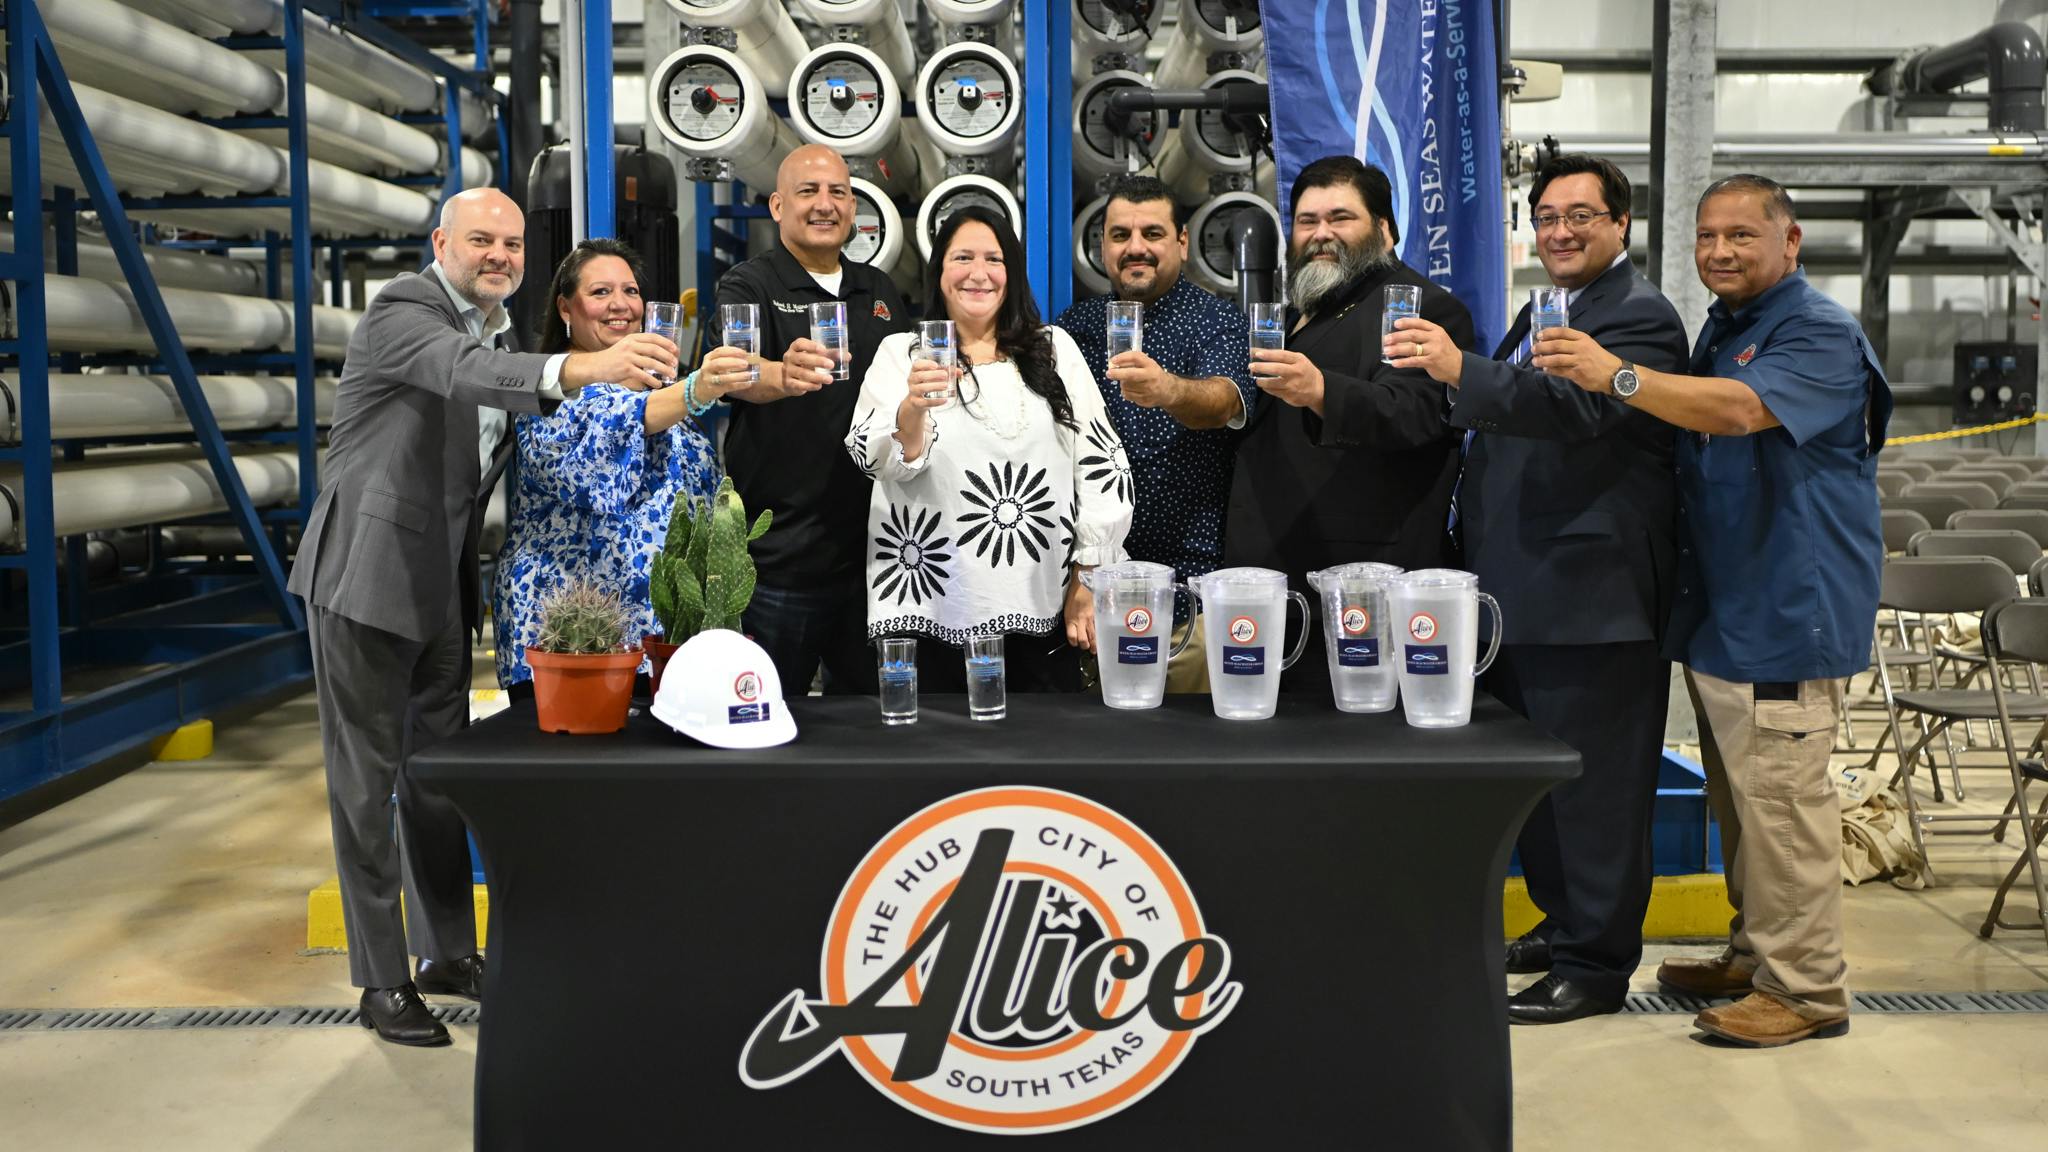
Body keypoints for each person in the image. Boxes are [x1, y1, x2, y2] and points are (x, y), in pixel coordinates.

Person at [287, 188, 674, 1047]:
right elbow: (463, 377)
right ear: (442, 242)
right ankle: (381, 978)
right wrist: (580, 367)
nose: (497, 254)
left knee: (434, 782)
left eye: (510, 243)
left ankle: (446, 953)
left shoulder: (494, 333)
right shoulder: (406, 310)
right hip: (366, 579)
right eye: (480, 240)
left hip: (441, 591)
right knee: (366, 786)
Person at [1535, 173, 1890, 1048]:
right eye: (1707, 237)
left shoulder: (1816, 330)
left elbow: (1740, 411)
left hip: (1785, 613)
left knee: (1785, 807)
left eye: (1742, 236)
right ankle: (1753, 950)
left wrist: (1614, 374)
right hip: (1728, 613)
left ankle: (1805, 989)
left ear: (1790, 241)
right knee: (1746, 803)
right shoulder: (1730, 327)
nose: (1721, 252)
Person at [1386, 155, 1689, 1024]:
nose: (1560, 231)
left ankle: (1595, 968)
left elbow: (1579, 410)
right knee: (1548, 788)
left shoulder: (1640, 318)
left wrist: (1457, 370)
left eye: (1581, 216)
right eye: (1548, 215)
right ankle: (1564, 929)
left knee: (1597, 794)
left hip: (1593, 599)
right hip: (1524, 590)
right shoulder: (1548, 307)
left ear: (1621, 224)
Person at [844, 205, 1133, 688]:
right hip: (931, 603)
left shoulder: (1055, 348)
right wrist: (913, 408)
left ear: (1012, 274)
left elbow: (1101, 464)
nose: (978, 274)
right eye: (962, 258)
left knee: (1040, 754)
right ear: (939, 274)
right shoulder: (902, 353)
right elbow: (875, 459)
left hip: (1045, 603)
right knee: (937, 756)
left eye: (993, 260)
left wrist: (1088, 575)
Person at [1226, 155, 1476, 693]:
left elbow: (1411, 413)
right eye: (1307, 220)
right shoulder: (1295, 309)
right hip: (1278, 575)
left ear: (1385, 230)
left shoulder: (1422, 307)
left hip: (1362, 581)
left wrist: (1321, 391)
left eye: (1341, 218)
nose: (1321, 234)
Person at [493, 238, 751, 691]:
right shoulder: (546, 392)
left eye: (631, 291)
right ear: (565, 308)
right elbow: (606, 441)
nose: (621, 305)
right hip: (572, 643)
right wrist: (696, 390)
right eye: (600, 292)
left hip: (663, 644)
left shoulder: (659, 399)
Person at [713, 144, 911, 697]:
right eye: (809, 192)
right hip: (781, 564)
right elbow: (731, 371)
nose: (826, 205)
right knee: (767, 722)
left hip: (875, 562)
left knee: (871, 732)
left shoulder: (878, 290)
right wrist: (781, 373)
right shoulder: (749, 286)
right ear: (777, 206)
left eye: (839, 193)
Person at [1052, 174, 1255, 693]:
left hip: (1190, 598)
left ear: (1182, 243)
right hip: (1093, 598)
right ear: (1102, 246)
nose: (1135, 247)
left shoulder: (1217, 321)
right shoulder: (1075, 327)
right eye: (1120, 235)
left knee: (1189, 763)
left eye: (1152, 233)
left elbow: (1225, 402)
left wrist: (1168, 390)